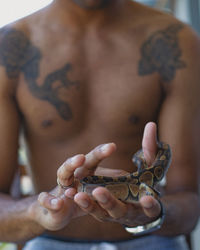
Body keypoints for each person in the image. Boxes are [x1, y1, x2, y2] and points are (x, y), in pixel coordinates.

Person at [0, 0, 199, 249]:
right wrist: (39, 211)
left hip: (152, 239)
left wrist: (153, 212)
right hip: (49, 241)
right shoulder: (10, 47)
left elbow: (190, 201)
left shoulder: (174, 42)